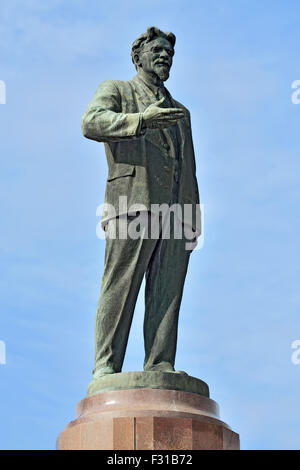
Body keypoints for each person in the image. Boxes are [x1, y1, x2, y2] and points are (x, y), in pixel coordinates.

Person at [82, 26, 200, 379]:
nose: (165, 56)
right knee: (120, 286)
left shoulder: (181, 111)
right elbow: (91, 122)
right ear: (138, 56)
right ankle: (106, 366)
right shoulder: (118, 90)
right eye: (157, 50)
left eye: (170, 53)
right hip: (132, 203)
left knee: (167, 295)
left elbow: (187, 163)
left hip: (177, 213)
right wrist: (139, 121)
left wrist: (192, 218)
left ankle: (160, 363)